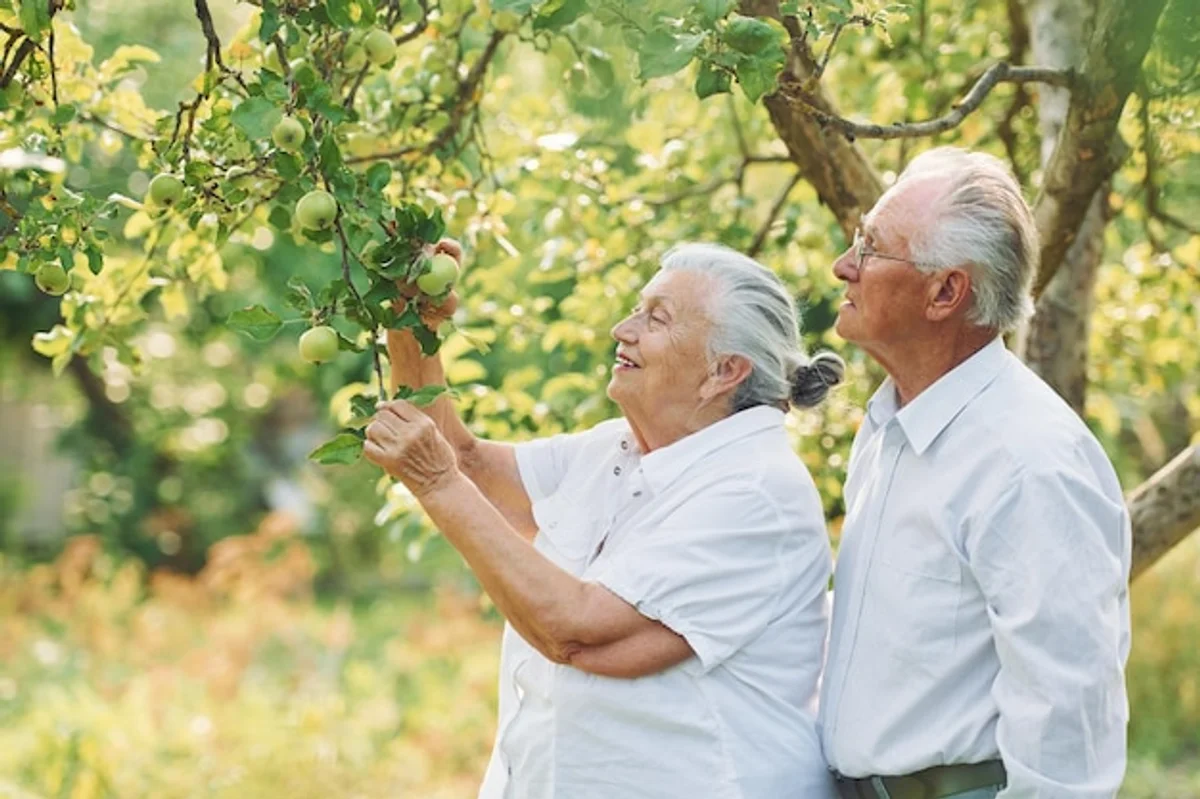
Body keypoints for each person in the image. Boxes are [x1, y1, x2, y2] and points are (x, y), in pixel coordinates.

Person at [364, 242, 843, 799]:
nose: (622, 328)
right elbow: (466, 464)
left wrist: (437, 484)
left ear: (723, 372)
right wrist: (411, 325)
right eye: (637, 309)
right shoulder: (612, 450)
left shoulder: (754, 492)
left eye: (655, 319)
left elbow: (578, 634)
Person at [819, 147, 1131, 799]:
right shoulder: (888, 427)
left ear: (945, 292)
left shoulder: (1028, 461)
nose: (844, 265)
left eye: (871, 248)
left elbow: (1067, 729)